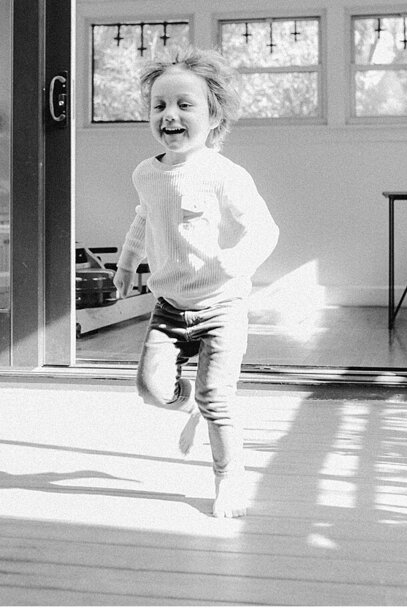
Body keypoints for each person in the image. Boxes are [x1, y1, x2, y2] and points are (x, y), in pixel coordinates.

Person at [114, 47, 279, 518]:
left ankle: (229, 478)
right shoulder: (146, 173)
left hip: (222, 307)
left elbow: (265, 231)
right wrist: (128, 264)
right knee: (150, 389)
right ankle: (187, 405)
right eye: (159, 105)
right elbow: (144, 220)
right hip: (168, 309)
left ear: (213, 115)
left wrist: (234, 264)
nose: (170, 115)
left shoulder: (223, 174)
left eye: (185, 105)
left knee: (217, 398)